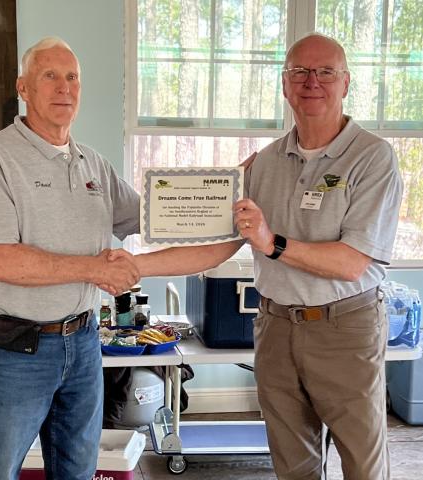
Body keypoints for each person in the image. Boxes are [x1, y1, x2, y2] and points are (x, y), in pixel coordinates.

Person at [129, 33, 403, 480]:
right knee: (292, 462)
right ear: (284, 84)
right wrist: (135, 265)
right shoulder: (266, 162)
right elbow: (217, 247)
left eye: (325, 72)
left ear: (346, 83)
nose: (312, 82)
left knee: (362, 463)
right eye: (300, 71)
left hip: (344, 329)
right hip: (275, 327)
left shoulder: (372, 157)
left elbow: (353, 262)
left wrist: (272, 242)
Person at [0, 37, 140, 479]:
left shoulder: (93, 164)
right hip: (13, 351)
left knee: (78, 470)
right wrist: (95, 269)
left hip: (83, 343)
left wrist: (224, 189)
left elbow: (152, 217)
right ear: (23, 88)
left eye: (72, 77)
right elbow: (1, 261)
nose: (64, 87)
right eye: (50, 76)